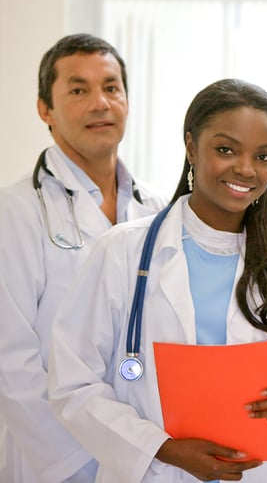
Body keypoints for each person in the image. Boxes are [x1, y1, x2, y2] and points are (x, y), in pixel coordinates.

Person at [49, 79, 267, 482]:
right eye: (226, 149)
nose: (245, 168)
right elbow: (73, 382)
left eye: (263, 156)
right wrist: (164, 450)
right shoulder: (123, 253)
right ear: (191, 146)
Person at [0, 33, 166, 483]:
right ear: (44, 109)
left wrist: (142, 449)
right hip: (59, 460)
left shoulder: (158, 210)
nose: (100, 103)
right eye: (78, 90)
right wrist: (78, 464)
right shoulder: (16, 212)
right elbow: (11, 360)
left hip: (148, 453)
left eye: (111, 87)